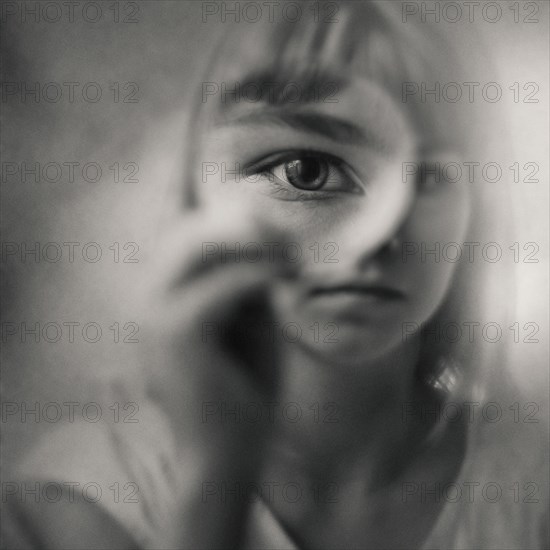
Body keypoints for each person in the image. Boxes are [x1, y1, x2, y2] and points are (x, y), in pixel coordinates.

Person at [2, 1, 547, 548]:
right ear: (203, 200)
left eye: (429, 176)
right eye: (308, 171)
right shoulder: (78, 500)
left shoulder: (532, 481)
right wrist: (216, 477)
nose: (382, 237)